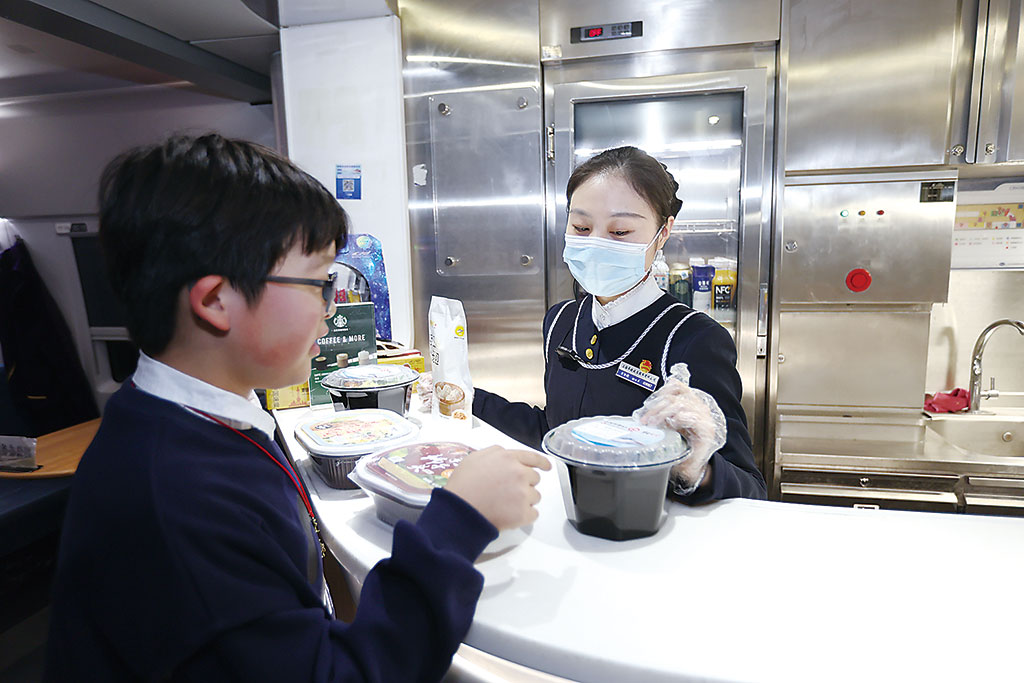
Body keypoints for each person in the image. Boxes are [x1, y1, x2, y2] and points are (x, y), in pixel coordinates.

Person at [44, 133, 550, 682]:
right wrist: (458, 522)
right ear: (215, 301)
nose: (331, 309)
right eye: (318, 283)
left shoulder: (191, 422)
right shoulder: (174, 499)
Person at [474, 146, 766, 504]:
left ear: (663, 233)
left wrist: (696, 467)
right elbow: (553, 430)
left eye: (621, 231)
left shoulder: (695, 339)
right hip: (569, 521)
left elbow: (751, 488)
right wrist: (465, 396)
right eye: (581, 227)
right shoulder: (561, 321)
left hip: (645, 528)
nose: (596, 243)